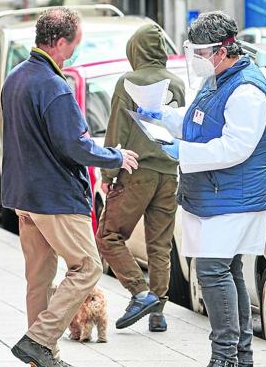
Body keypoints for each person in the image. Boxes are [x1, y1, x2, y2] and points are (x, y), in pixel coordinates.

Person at [1, 7, 139, 367]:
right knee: (87, 267)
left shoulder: (15, 77)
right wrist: (115, 156)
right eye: (77, 42)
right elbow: (74, 145)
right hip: (55, 196)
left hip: (23, 195)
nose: (78, 48)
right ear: (61, 43)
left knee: (39, 278)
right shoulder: (54, 87)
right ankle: (40, 339)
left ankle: (42, 358)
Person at [145, 11, 266, 367]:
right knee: (227, 270)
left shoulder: (247, 90)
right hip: (218, 195)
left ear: (221, 51)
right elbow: (200, 122)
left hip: (235, 196)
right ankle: (240, 356)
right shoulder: (218, 79)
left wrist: (181, 151)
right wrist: (164, 118)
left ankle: (224, 357)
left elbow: (235, 148)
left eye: (201, 53)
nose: (197, 61)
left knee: (212, 270)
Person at [95, 24, 184, 332]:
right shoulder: (177, 82)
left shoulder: (128, 82)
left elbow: (116, 130)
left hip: (135, 172)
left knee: (108, 236)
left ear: (135, 50)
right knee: (160, 245)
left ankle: (139, 292)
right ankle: (158, 312)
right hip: (169, 173)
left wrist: (108, 172)